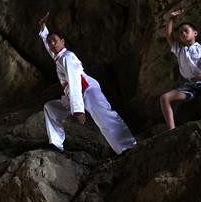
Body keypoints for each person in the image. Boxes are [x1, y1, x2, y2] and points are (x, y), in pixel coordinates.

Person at [38, 12, 137, 154]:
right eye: (50, 42)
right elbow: (50, 49)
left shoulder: (67, 57)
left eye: (54, 40)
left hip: (87, 91)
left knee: (105, 119)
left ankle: (128, 147)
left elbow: (74, 81)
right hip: (73, 95)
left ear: (63, 42)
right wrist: (43, 29)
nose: (52, 44)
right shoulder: (58, 58)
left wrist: (78, 109)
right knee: (50, 108)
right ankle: (56, 144)